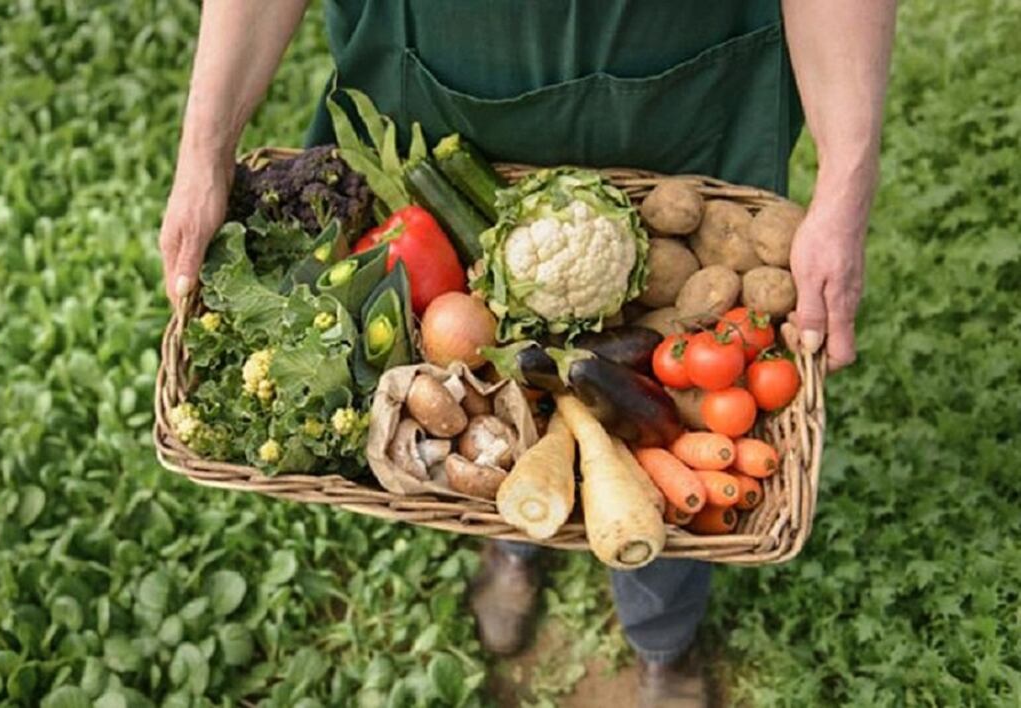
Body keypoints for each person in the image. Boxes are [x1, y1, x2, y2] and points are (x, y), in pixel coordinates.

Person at [159, 2, 897, 705]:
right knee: (489, 400)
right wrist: (203, 148)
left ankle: (661, 637)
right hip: (439, 94)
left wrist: (847, 179)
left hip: (678, 99)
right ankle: (513, 535)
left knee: (669, 430)